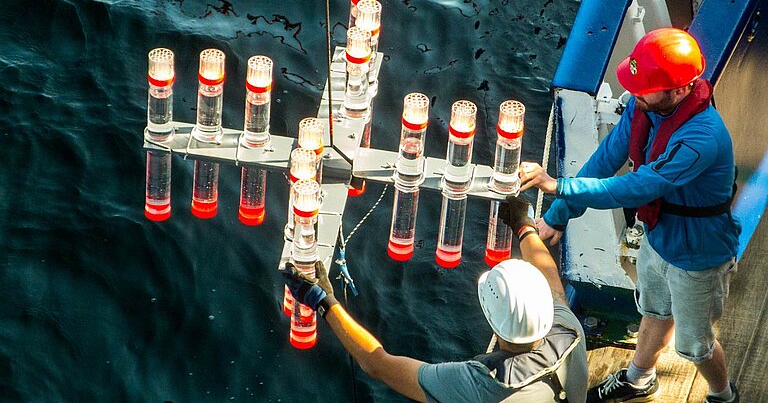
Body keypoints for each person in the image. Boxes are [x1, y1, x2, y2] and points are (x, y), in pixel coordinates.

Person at [518, 27, 741, 403]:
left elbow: (636, 187)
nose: (635, 92)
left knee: (695, 346)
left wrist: (559, 186)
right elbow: (607, 159)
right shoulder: (646, 106)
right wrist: (559, 215)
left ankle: (723, 396)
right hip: (659, 237)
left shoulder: (702, 139)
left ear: (681, 89)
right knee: (653, 310)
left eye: (645, 86)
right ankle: (639, 378)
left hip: (699, 257)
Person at [282, 196, 588, 402]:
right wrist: (524, 226)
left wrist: (324, 301)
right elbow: (552, 281)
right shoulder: (568, 330)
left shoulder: (480, 385)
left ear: (492, 318)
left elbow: (378, 364)